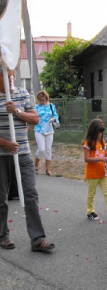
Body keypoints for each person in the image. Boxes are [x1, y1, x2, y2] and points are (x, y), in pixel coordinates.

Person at [0, 63, 55, 251]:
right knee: (1, 197)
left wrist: (16, 111)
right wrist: (4, 143)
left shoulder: (22, 94)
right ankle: (3, 235)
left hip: (23, 154)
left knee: (30, 194)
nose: (11, 79)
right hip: (1, 155)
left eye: (12, 75)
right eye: (7, 76)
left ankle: (38, 240)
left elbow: (35, 119)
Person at [83, 119, 107, 222]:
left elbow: (102, 155)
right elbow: (87, 159)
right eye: (98, 132)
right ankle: (90, 212)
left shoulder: (102, 142)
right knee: (91, 193)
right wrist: (101, 159)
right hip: (92, 173)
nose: (100, 134)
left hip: (102, 172)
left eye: (101, 132)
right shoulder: (88, 143)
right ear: (93, 131)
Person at [34, 90, 59, 176]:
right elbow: (33, 117)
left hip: (49, 130)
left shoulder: (51, 106)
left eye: (43, 100)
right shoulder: (36, 107)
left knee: (48, 149)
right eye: (40, 100)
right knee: (41, 149)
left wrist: (54, 119)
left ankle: (47, 169)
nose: (41, 101)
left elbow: (56, 116)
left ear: (46, 98)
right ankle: (36, 164)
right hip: (39, 129)